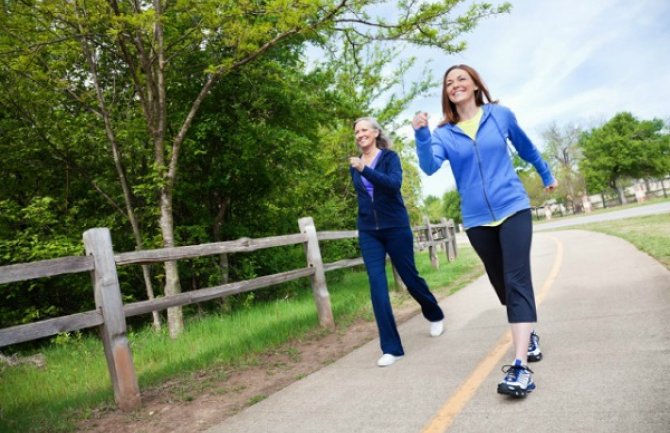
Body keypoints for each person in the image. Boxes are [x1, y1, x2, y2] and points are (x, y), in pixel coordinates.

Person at [411, 64, 558, 397]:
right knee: (500, 282)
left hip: (513, 206)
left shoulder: (500, 115)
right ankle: (528, 330)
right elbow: (430, 166)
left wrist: (546, 174)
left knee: (517, 279)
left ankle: (521, 367)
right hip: (477, 219)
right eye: (449, 82)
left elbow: (526, 147)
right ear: (446, 93)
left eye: (462, 78)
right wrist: (421, 135)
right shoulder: (443, 133)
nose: (455, 84)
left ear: (476, 84)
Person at [350, 117, 445, 367]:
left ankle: (434, 313)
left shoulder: (390, 157)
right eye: (356, 131)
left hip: (396, 228)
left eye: (364, 130)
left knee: (410, 277)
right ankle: (391, 348)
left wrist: (364, 169)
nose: (360, 134)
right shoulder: (355, 165)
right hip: (369, 231)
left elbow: (394, 185)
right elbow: (364, 197)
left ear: (375, 132)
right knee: (377, 286)